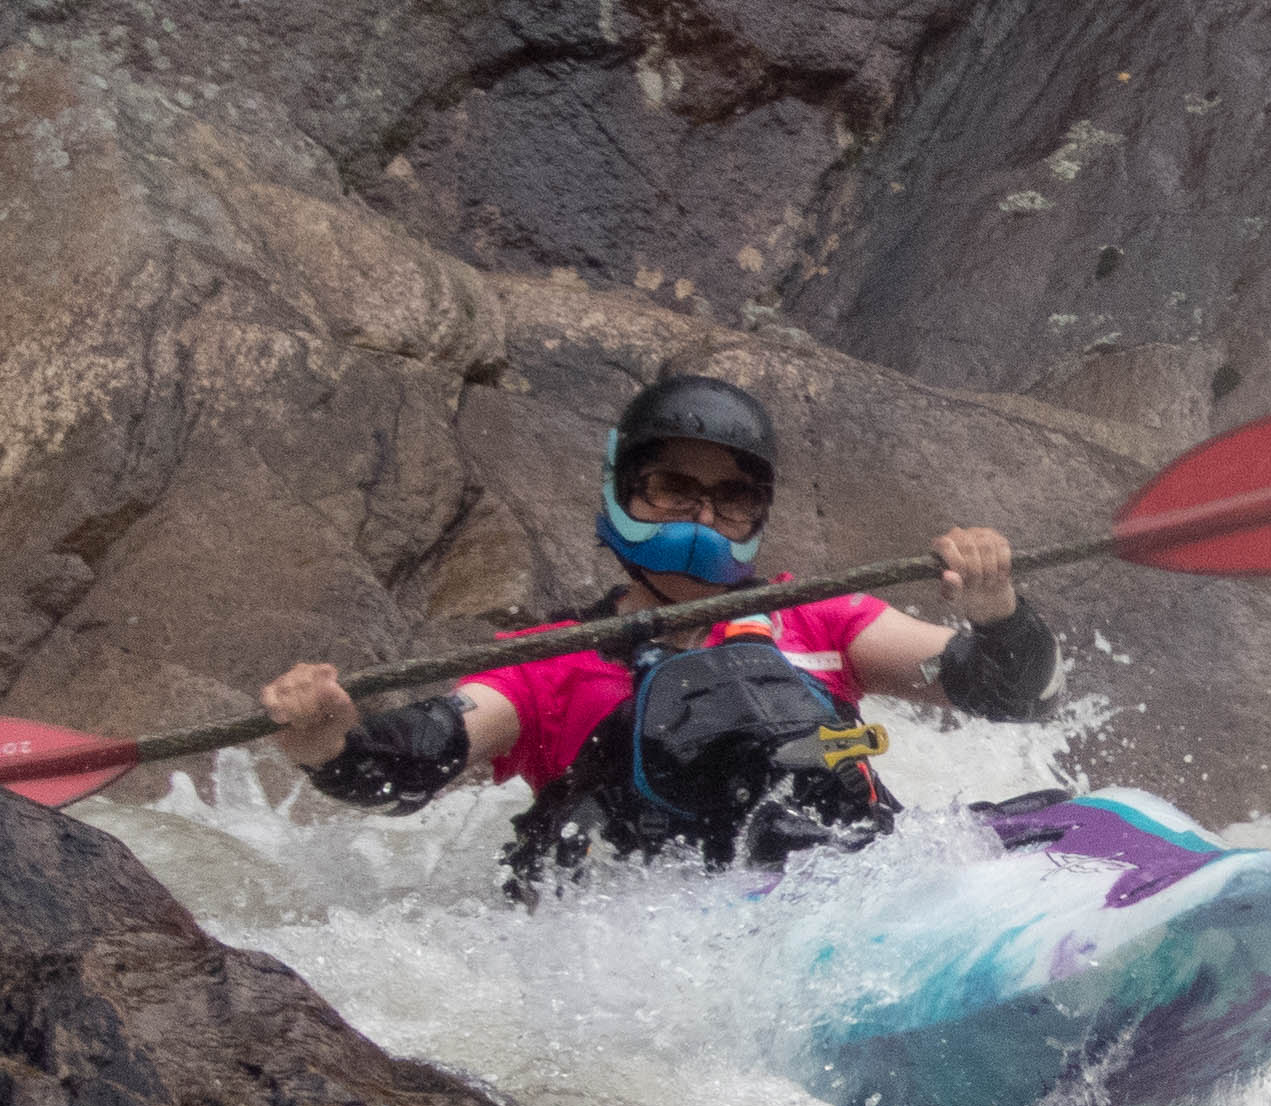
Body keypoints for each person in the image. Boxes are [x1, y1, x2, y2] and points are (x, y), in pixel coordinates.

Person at [257, 374, 1059, 889]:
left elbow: (1012, 693)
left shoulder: (821, 618)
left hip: (846, 875)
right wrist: (329, 746)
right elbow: (416, 760)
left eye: (731, 498)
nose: (702, 516)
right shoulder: (547, 667)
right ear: (624, 489)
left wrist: (998, 611)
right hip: (676, 931)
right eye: (674, 488)